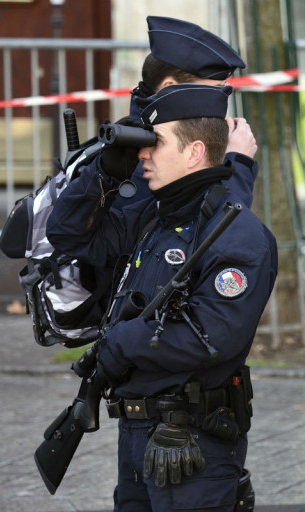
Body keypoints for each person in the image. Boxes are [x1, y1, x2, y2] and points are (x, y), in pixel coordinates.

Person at [47, 83, 278, 511]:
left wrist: (120, 342)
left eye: (157, 143)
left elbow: (213, 337)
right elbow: (66, 233)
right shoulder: (156, 217)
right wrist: (104, 173)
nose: (144, 154)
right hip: (136, 433)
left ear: (194, 153)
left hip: (191, 443)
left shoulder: (236, 234)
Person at [113, 16, 258, 208]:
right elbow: (221, 223)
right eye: (214, 90)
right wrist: (238, 162)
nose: (219, 101)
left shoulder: (170, 139)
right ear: (168, 88)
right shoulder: (146, 161)